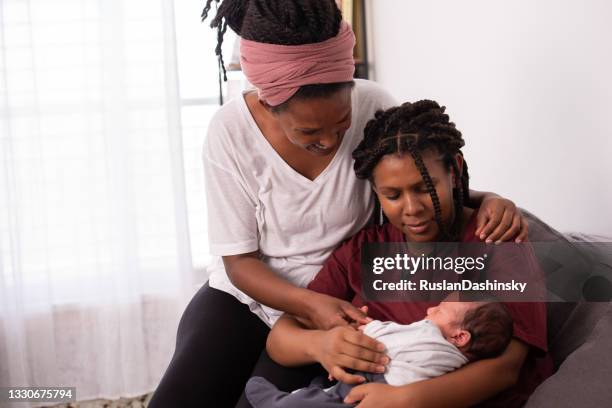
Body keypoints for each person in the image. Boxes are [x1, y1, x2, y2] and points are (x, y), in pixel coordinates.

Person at [148, 2, 529, 407]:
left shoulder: (374, 105)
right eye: (309, 132)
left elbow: (409, 178)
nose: (330, 143)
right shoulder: (230, 131)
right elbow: (239, 263)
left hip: (339, 297)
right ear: (267, 103)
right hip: (252, 296)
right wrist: (312, 309)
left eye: (341, 124)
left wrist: (489, 199)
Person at [263, 100, 552, 408]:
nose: (412, 209)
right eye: (393, 195)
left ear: (454, 172)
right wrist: (320, 345)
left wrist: (404, 399)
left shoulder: (497, 241)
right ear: (375, 192)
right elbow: (280, 339)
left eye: (424, 188)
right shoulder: (361, 252)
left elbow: (506, 369)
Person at [245, 298, 513, 407]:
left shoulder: (430, 334)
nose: (431, 311)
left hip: (375, 385)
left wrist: (364, 326)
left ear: (460, 336)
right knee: (324, 395)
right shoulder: (458, 362)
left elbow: (389, 340)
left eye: (440, 310)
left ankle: (276, 403)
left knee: (305, 406)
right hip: (367, 383)